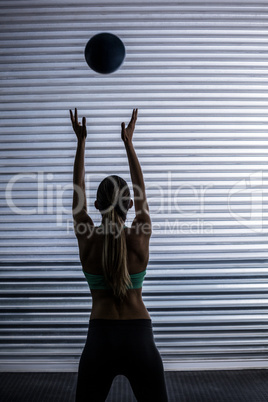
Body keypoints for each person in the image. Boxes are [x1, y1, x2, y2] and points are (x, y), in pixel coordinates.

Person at [70, 108, 169, 402]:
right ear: (128, 203)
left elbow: (78, 193)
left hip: (100, 337)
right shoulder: (140, 234)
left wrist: (81, 143)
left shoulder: (87, 236)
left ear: (98, 202)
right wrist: (129, 142)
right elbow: (141, 193)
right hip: (139, 337)